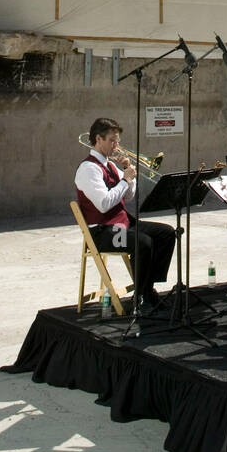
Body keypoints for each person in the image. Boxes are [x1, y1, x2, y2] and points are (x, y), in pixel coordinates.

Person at [74, 117, 176, 311]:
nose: (116, 146)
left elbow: (128, 196)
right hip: (103, 232)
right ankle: (141, 297)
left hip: (122, 224)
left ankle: (147, 289)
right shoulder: (88, 169)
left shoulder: (111, 166)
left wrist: (128, 174)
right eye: (112, 141)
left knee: (167, 234)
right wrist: (124, 181)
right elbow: (104, 204)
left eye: (117, 141)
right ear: (98, 139)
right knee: (143, 242)